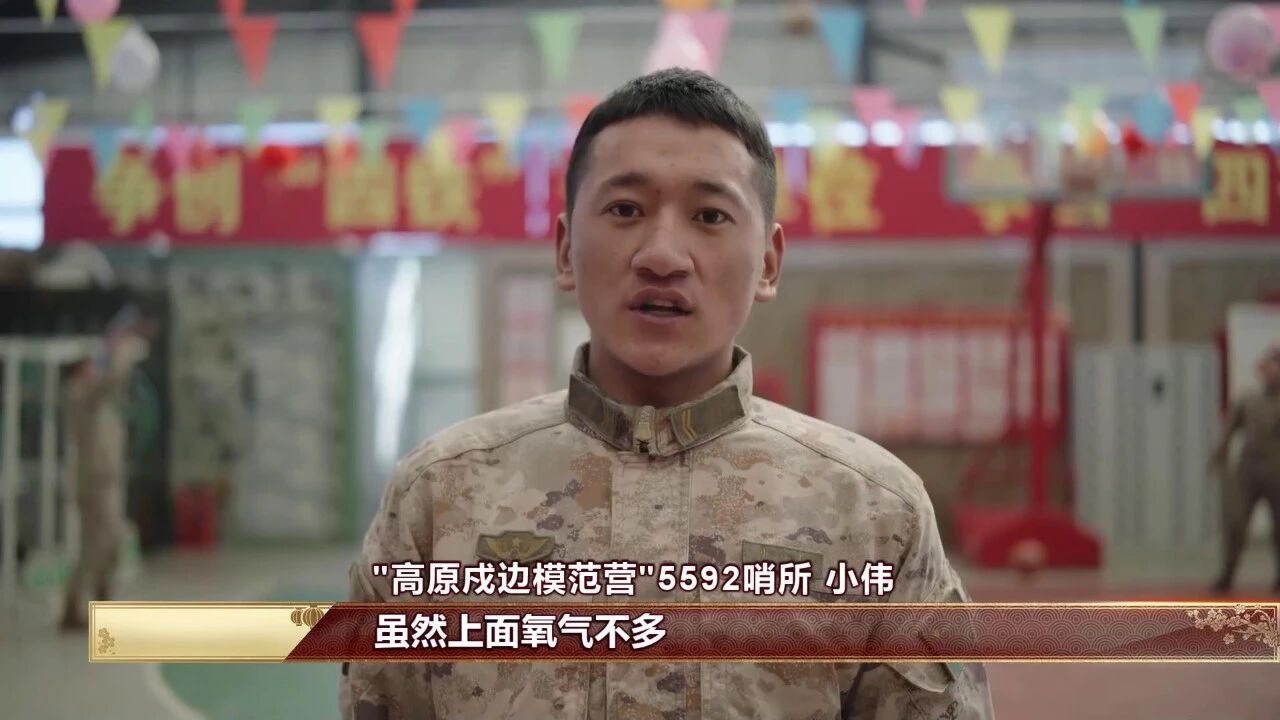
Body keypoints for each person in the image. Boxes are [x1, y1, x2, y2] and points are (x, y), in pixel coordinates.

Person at [341, 69, 993, 719]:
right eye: (625, 210)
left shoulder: (875, 513)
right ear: (565, 250)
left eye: (710, 216)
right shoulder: (439, 497)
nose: (662, 255)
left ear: (768, 263)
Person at [59, 325, 149, 630]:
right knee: (99, 545)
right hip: (94, 483)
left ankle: (96, 600)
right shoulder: (79, 394)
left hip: (108, 480)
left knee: (106, 544)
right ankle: (77, 605)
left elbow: (113, 388)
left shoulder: (99, 399)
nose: (93, 368)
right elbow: (110, 380)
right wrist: (122, 352)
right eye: (88, 364)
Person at [1209, 345, 1280, 594]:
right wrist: (1218, 456)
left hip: (1277, 471)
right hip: (1248, 470)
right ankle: (1227, 574)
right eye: (1270, 365)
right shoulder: (1249, 401)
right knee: (1236, 522)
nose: (1274, 371)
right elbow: (1229, 430)